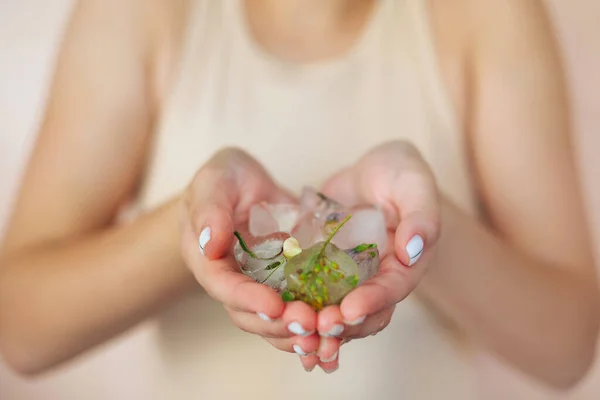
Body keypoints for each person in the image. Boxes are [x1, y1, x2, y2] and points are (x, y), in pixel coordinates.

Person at [0, 0, 598, 398]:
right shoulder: (136, 14)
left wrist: (423, 229)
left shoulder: (488, 15)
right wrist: (196, 231)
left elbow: (567, 346)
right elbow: (19, 329)